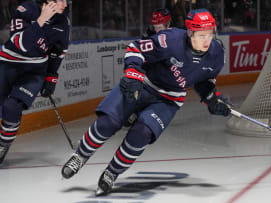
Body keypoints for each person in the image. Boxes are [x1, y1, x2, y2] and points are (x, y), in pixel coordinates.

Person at [61, 8, 231, 195]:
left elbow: (203, 81)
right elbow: (136, 48)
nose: (207, 40)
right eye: (201, 35)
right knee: (108, 122)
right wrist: (133, 74)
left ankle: (112, 172)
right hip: (143, 84)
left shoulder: (217, 55)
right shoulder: (170, 40)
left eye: (210, 34)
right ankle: (80, 155)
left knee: (141, 134)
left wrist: (212, 99)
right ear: (190, 32)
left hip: (169, 99)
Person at [0, 0, 69, 163]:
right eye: (61, 0)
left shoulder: (63, 21)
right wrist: (41, 20)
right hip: (8, 65)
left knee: (12, 107)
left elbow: (59, 53)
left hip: (34, 72)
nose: (65, 4)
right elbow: (21, 44)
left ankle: (3, 144)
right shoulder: (25, 10)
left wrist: (51, 77)